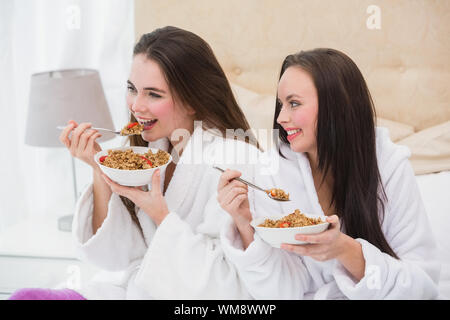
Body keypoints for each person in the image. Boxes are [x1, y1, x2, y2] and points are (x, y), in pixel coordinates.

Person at [9, 26, 264, 300]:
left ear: (193, 101)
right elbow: (115, 256)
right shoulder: (149, 153)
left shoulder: (237, 162)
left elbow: (232, 285)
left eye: (154, 94)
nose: (136, 106)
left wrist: (161, 216)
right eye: (132, 89)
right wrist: (99, 166)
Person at [218, 48, 441, 299]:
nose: (281, 117)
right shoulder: (272, 171)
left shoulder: (388, 165)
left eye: (294, 104)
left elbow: (422, 286)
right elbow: (279, 292)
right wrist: (244, 221)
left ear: (335, 106)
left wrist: (346, 250)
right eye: (281, 105)